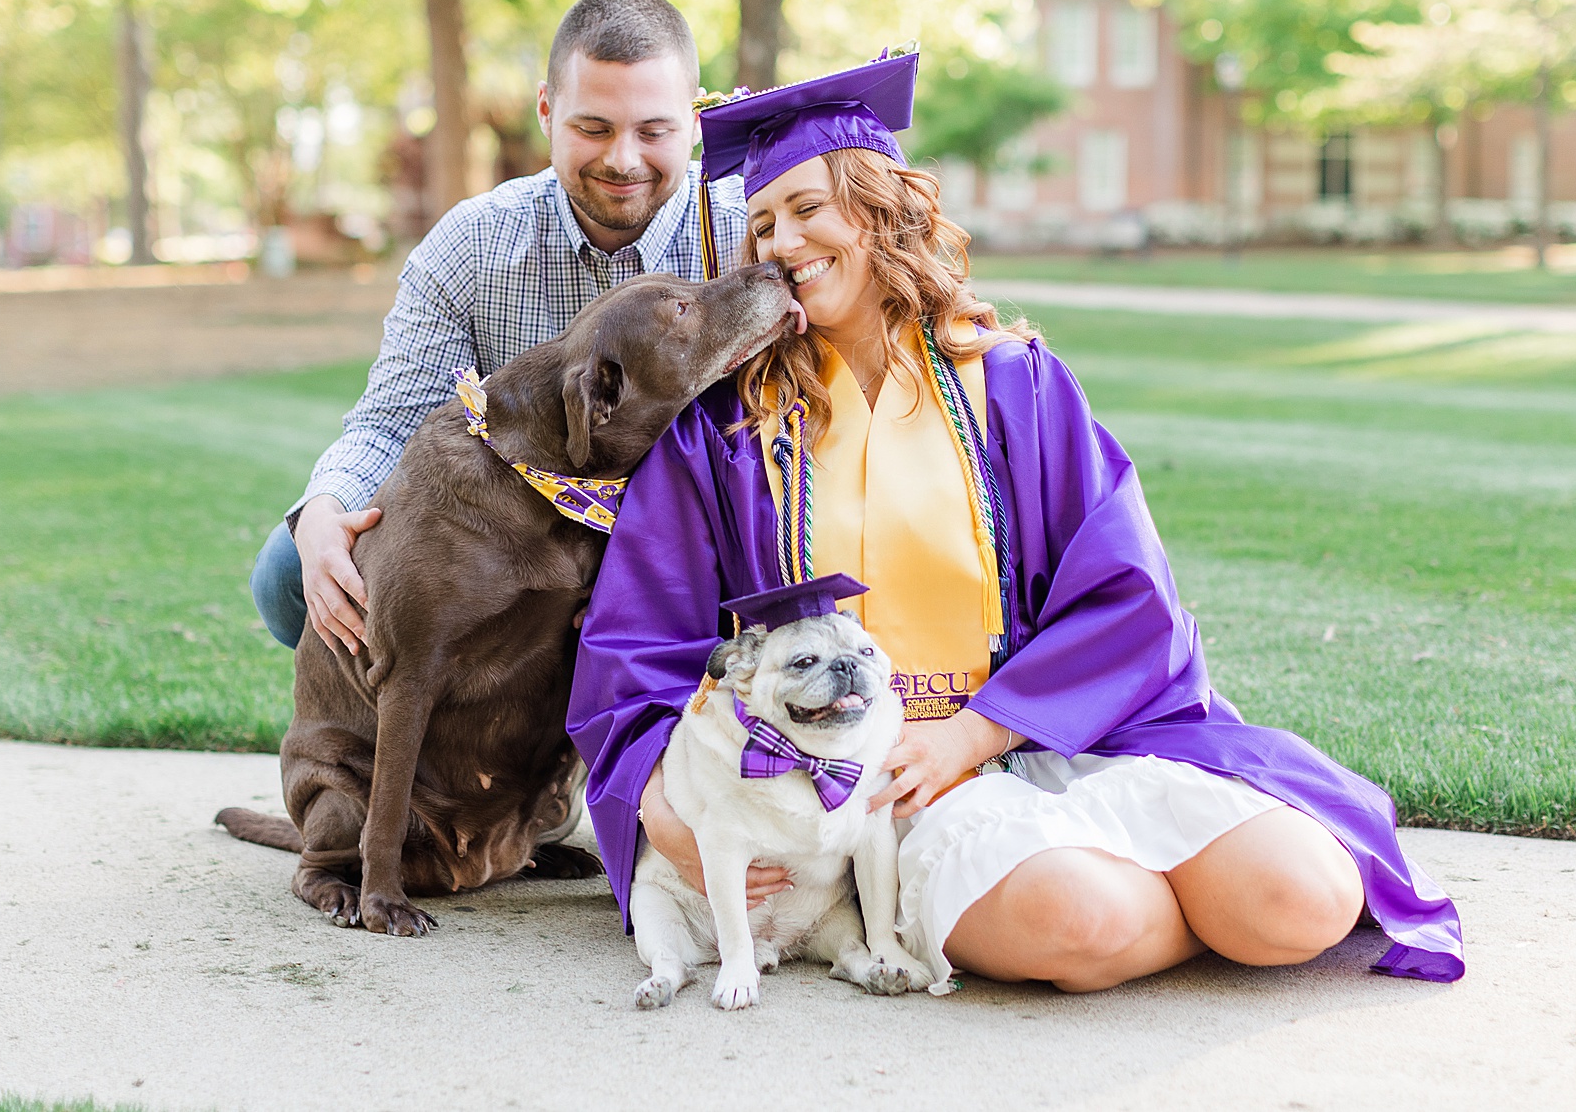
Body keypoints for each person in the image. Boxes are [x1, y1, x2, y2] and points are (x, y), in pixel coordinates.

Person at [567, 51, 1464, 993]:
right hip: (871, 789)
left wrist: (978, 733)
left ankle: (1124, 888)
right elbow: (637, 639)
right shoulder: (726, 428)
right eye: (761, 224)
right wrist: (666, 808)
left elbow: (1127, 593)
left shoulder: (1013, 384)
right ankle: (1091, 900)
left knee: (1301, 903)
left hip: (1055, 736)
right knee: (1081, 921)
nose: (782, 242)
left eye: (807, 210)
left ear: (880, 213)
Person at [250, 0, 746, 655]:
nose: (623, 159)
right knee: (287, 576)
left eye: (653, 132)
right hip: (523, 542)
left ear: (694, 120)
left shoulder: (751, 234)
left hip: (699, 534)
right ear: (547, 109)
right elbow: (396, 419)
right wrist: (321, 513)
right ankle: (401, 748)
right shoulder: (474, 242)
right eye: (593, 128)